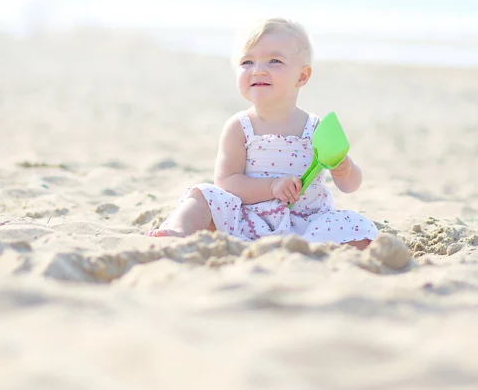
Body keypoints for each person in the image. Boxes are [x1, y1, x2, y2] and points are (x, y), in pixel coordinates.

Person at [146, 17, 379, 249]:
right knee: (202, 195)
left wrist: (344, 168)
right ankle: (177, 231)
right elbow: (227, 182)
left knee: (356, 225)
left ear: (302, 76)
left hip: (308, 223)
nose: (257, 70)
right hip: (249, 220)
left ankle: (320, 248)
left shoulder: (314, 127)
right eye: (247, 62)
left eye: (274, 61)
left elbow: (351, 186)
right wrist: (272, 187)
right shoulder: (240, 126)